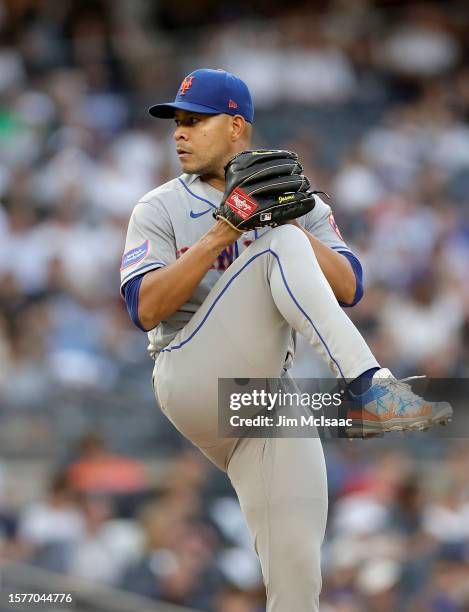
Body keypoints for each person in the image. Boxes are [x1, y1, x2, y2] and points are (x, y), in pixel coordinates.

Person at [120, 68, 451, 611]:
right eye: (176, 123)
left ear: (235, 127)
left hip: (264, 400)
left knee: (298, 577)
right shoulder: (157, 207)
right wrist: (225, 231)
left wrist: (292, 220)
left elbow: (349, 288)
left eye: (195, 121)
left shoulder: (293, 197)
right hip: (190, 371)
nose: (179, 133)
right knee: (275, 244)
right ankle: (371, 386)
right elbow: (145, 308)